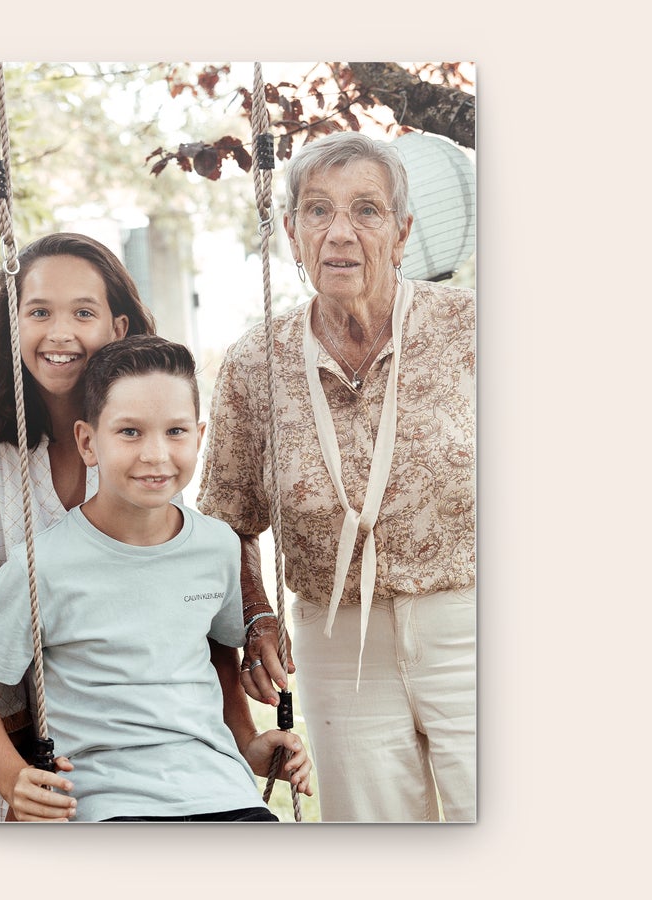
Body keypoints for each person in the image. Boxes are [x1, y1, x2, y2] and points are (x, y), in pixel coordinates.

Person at [197, 131, 475, 823]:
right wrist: (256, 611)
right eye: (318, 210)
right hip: (335, 641)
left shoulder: (471, 329)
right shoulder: (255, 362)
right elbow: (227, 521)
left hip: (471, 624)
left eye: (366, 210)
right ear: (291, 232)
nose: (340, 233)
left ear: (403, 231)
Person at [0, 335, 312, 822]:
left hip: (223, 794)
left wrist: (248, 742)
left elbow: (216, 653)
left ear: (199, 437)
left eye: (175, 431)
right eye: (130, 432)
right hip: (108, 801)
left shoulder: (217, 545)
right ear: (88, 442)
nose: (156, 454)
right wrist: (13, 779)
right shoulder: (43, 565)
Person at [0, 232, 157, 822]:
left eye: (83, 313)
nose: (60, 333)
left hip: (121, 729)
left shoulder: (144, 440)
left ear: (119, 328)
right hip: (2, 740)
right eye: (38, 312)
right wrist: (17, 778)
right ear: (13, 325)